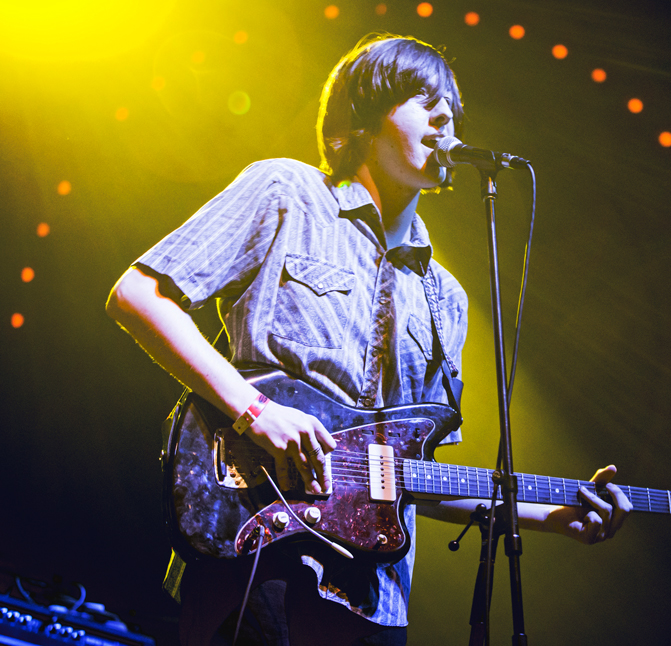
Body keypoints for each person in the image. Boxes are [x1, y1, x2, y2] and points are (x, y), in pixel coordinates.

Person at [106, 33, 631, 645]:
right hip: (257, 553)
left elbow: (406, 477)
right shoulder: (288, 194)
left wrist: (550, 515)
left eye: (453, 107)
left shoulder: (448, 299)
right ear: (362, 119)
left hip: (374, 601)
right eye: (420, 97)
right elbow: (138, 295)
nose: (445, 116)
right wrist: (256, 412)